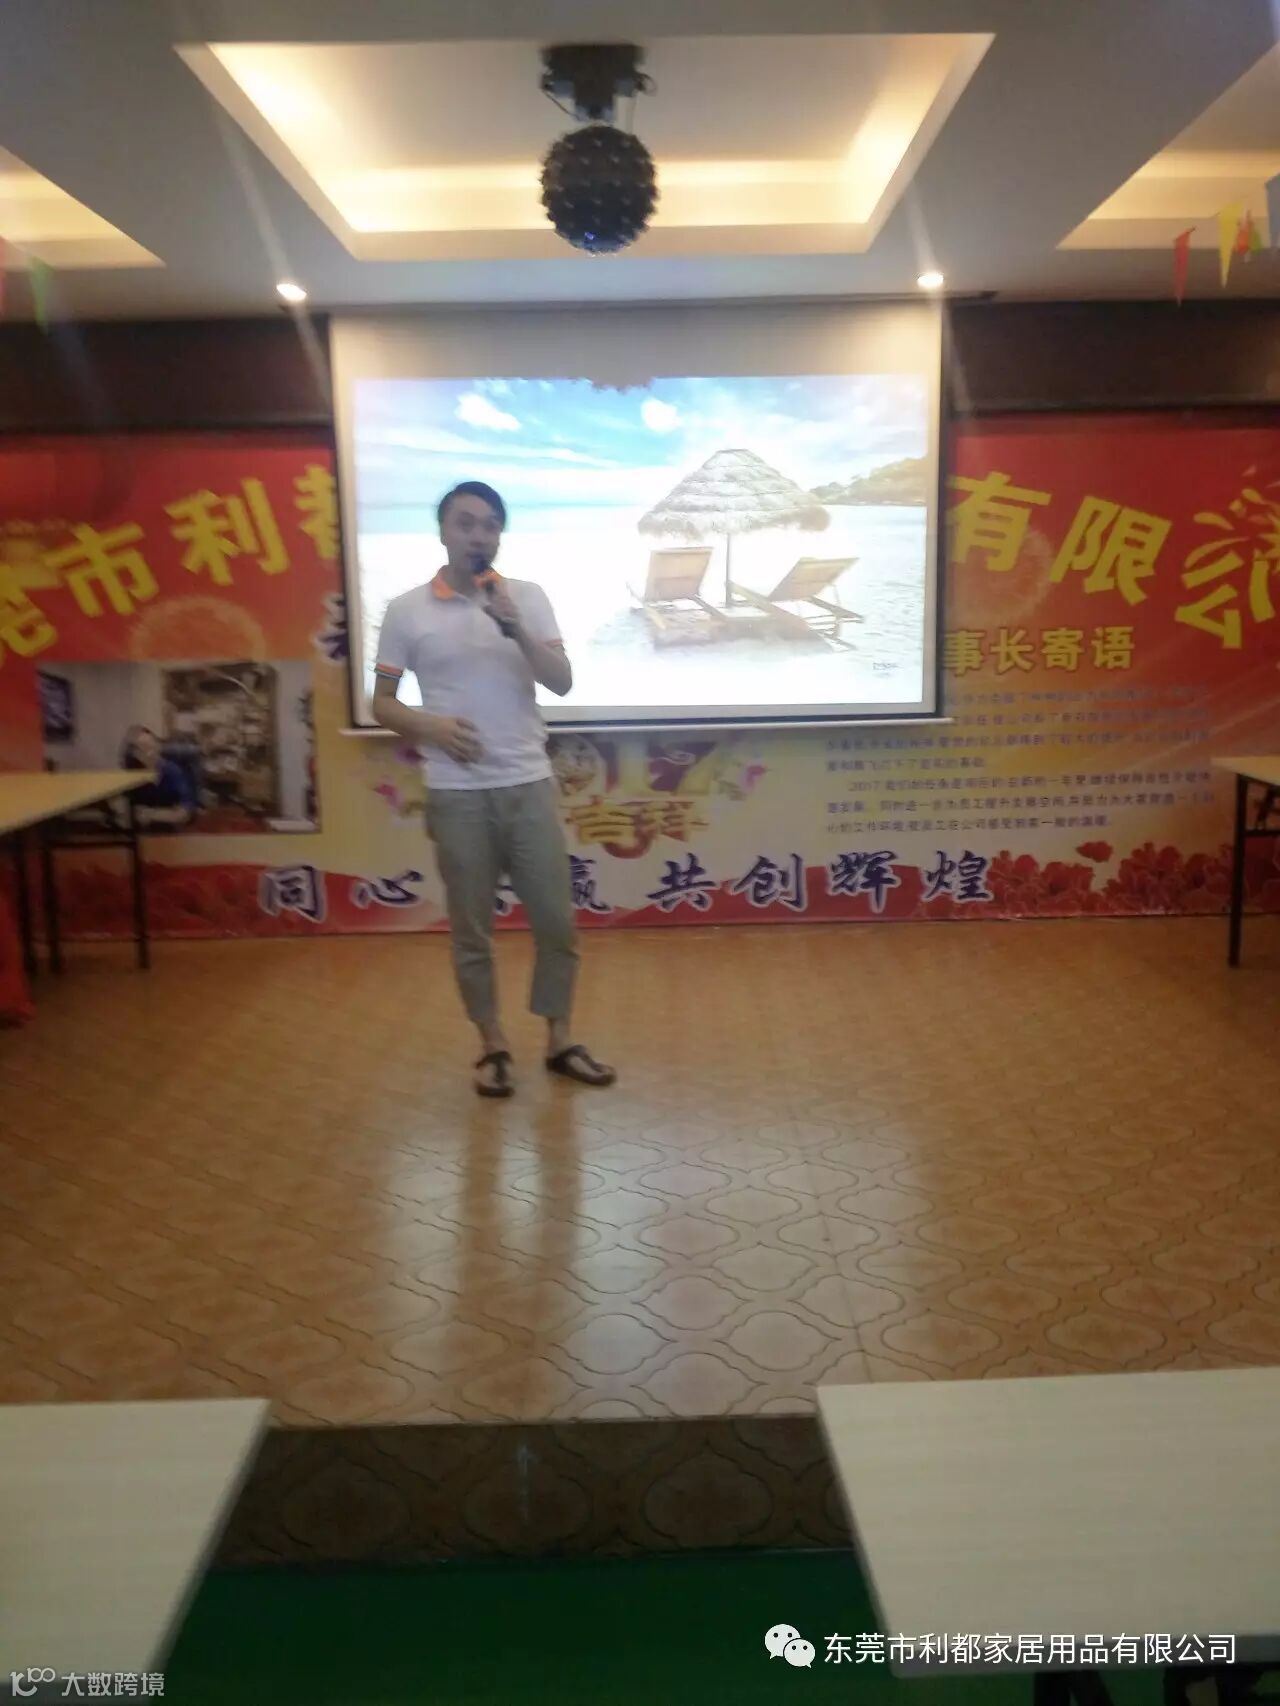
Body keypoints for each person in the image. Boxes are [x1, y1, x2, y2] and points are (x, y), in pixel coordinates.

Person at [371, 481, 616, 1099]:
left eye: (489, 525)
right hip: (456, 792)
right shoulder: (406, 610)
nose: (478, 535)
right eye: (465, 523)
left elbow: (561, 681)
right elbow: (382, 703)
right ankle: (492, 1044)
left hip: (528, 782)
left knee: (556, 923)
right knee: (471, 931)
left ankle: (559, 1040)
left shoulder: (527, 598)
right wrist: (430, 726)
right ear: (443, 531)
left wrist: (516, 629)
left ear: (499, 534)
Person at [121, 725, 197, 831]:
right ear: (135, 755)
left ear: (158, 746)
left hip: (170, 833)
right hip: (141, 834)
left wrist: (152, 814)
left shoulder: (172, 772)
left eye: (152, 747)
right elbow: (132, 814)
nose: (151, 754)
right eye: (143, 750)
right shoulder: (133, 775)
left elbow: (185, 813)